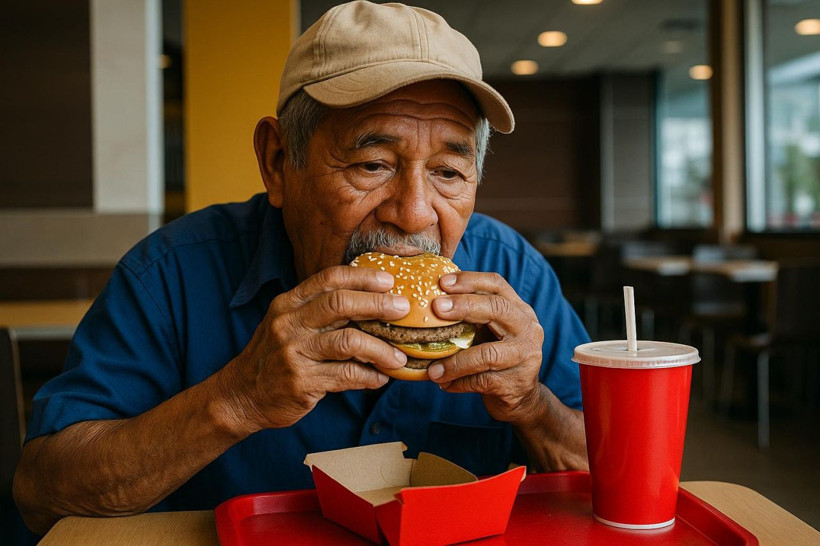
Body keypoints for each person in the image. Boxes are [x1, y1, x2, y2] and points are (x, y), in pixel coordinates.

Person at [14, 0, 589, 535]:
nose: (414, 213)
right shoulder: (169, 274)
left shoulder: (513, 272)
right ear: (278, 162)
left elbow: (610, 476)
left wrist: (531, 405)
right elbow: (43, 491)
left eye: (448, 173)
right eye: (371, 163)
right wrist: (237, 399)